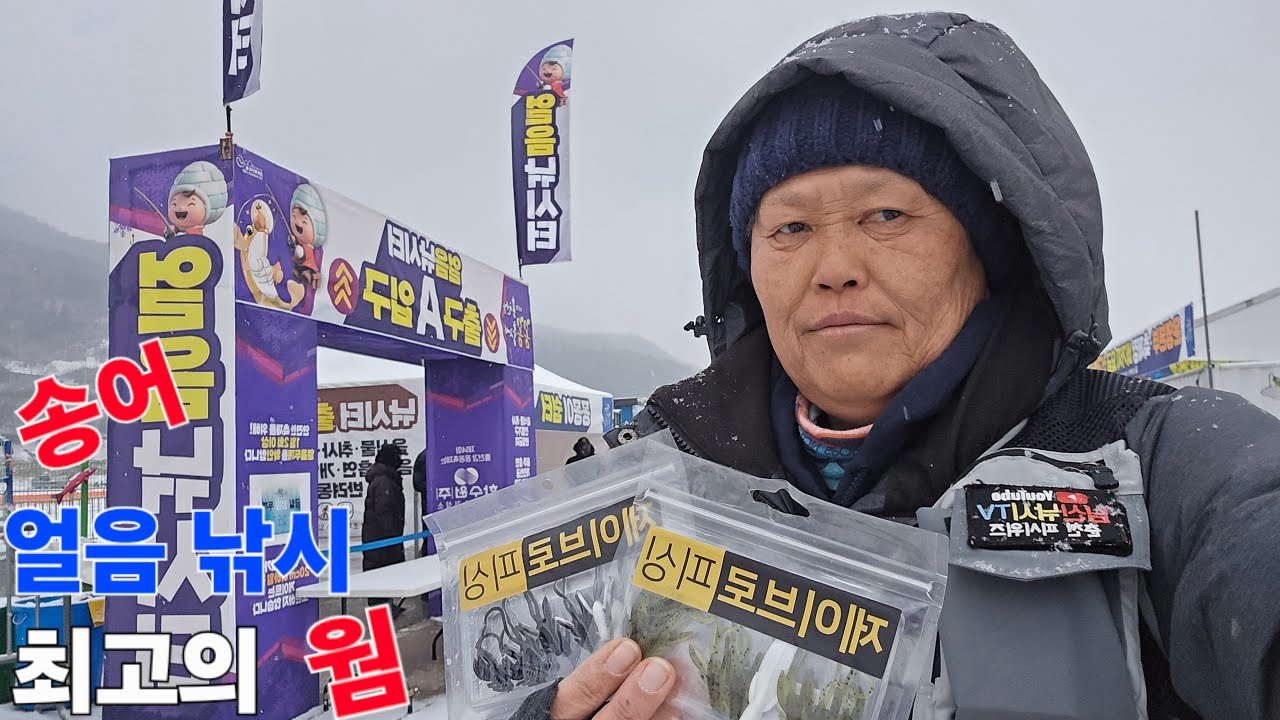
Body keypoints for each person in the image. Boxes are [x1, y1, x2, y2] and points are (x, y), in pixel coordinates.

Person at [514, 12, 1280, 720]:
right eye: (789, 227)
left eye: (885, 215)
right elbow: (516, 662)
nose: (833, 266)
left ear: (986, 246)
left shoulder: (1154, 460)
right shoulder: (652, 476)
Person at [361, 442, 406, 613]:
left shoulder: (384, 478)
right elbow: (383, 510)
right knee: (380, 571)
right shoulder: (383, 481)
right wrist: (392, 534)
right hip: (381, 537)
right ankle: (381, 610)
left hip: (381, 536)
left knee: (384, 571)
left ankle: (386, 605)